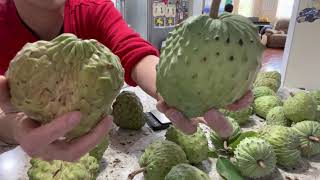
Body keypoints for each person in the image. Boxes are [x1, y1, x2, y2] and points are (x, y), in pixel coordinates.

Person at [0, 0, 253, 161]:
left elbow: (133, 51)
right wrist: (12, 129)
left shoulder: (94, 8)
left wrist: (180, 89)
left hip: (95, 154)